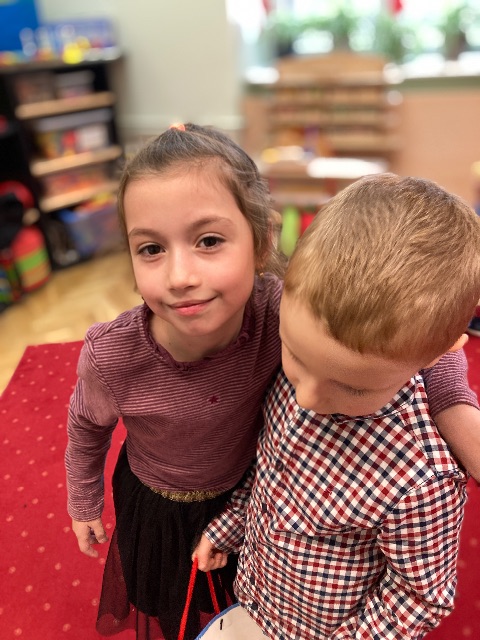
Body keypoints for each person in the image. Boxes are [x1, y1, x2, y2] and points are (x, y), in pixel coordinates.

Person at [65, 125, 479, 640]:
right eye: (150, 248)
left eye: (209, 241)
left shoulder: (289, 314)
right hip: (159, 506)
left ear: (261, 243)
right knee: (171, 599)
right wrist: (83, 499)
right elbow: (85, 426)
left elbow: (402, 335)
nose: (179, 276)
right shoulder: (112, 355)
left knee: (224, 600)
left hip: (247, 511)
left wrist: (454, 408)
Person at [195, 173, 480, 640]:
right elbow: (270, 473)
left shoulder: (421, 480)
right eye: (295, 356)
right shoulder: (304, 380)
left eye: (353, 389)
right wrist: (228, 527)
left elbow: (420, 597)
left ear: (437, 355)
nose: (307, 398)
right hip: (256, 598)